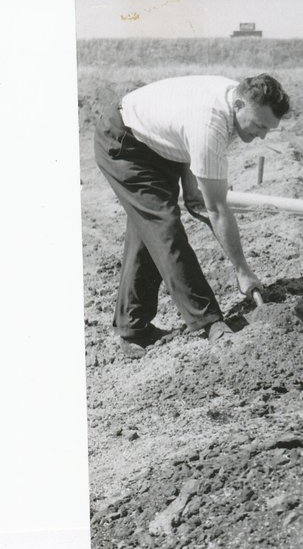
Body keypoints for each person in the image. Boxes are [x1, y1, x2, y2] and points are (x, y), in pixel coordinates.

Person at [94, 74, 291, 358]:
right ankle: (209, 321)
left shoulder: (227, 102)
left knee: (148, 231)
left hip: (156, 144)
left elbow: (187, 136)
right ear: (238, 104)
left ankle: (133, 328)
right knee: (165, 229)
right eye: (260, 125)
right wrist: (243, 271)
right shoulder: (210, 123)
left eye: (268, 130)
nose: (261, 135)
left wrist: (190, 182)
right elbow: (218, 209)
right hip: (125, 144)